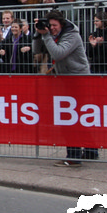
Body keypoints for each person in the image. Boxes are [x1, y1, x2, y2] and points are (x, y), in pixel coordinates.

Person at [34, 10, 96, 166]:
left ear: (61, 24)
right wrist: (38, 34)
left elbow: (58, 53)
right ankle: (91, 151)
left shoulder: (71, 35)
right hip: (66, 79)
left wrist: (46, 36)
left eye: (55, 25)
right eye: (50, 25)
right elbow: (36, 51)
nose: (52, 28)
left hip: (77, 80)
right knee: (78, 117)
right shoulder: (52, 34)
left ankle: (73, 157)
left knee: (70, 118)